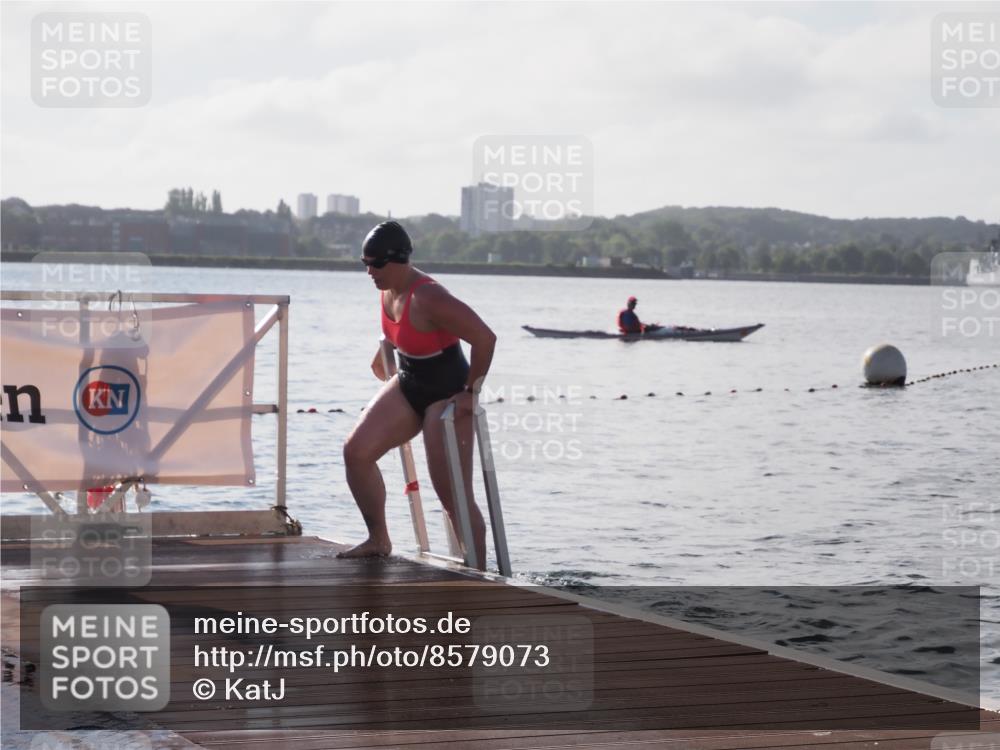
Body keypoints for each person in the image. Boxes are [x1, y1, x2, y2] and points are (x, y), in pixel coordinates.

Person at [338, 221, 495, 569]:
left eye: (375, 264)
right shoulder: (386, 289)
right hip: (410, 381)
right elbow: (400, 337)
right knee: (356, 452)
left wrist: (471, 392)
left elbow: (485, 338)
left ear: (398, 261)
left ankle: (478, 572)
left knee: (451, 493)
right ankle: (378, 539)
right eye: (364, 262)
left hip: (447, 391)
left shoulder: (429, 296)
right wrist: (381, 361)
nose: (369, 272)